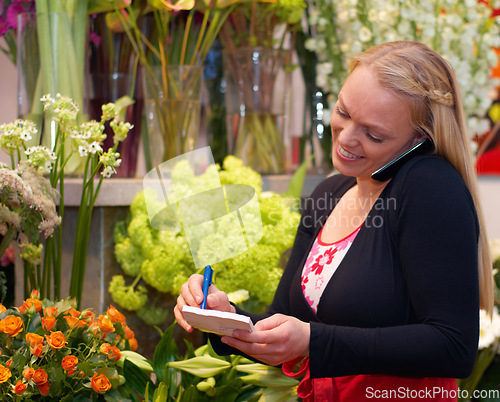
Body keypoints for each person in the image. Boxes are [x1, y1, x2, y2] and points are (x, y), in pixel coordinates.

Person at [174, 41, 494, 401]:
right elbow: (281, 325)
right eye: (342, 111)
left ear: (418, 141)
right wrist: (223, 318)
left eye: (373, 134)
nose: (345, 137)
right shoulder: (332, 191)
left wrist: (312, 340)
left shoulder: (429, 186)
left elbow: (453, 346)